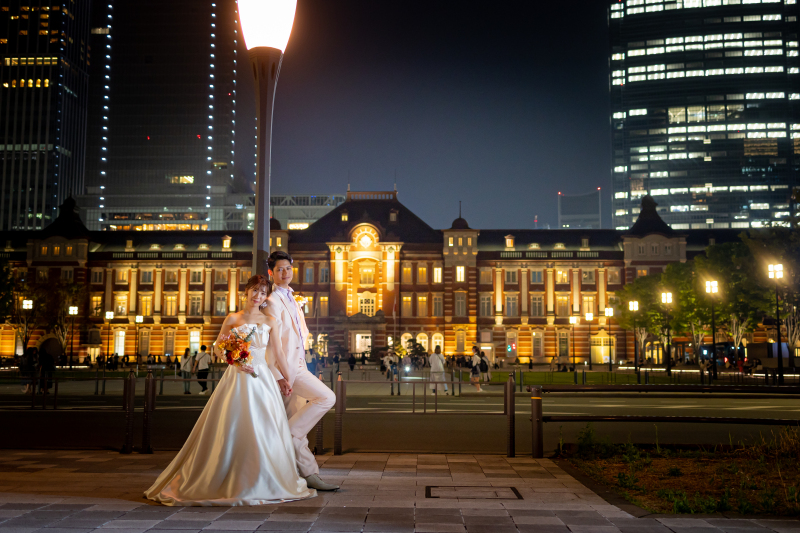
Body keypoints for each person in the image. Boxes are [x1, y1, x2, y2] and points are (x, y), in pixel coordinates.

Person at [145, 275, 314, 505]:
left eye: (263, 293)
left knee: (264, 426)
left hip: (262, 378)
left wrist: (287, 378)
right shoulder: (233, 318)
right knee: (232, 425)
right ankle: (226, 475)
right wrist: (233, 360)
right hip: (237, 377)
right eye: (255, 291)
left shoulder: (270, 320)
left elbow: (280, 354)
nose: (258, 296)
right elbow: (218, 347)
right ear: (246, 292)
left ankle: (262, 477)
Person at [265, 251, 339, 492]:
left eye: (288, 268)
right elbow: (270, 343)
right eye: (279, 270)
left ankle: (307, 473)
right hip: (287, 370)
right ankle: (285, 438)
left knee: (297, 423)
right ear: (271, 273)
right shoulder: (272, 301)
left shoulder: (292, 298)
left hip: (298, 365)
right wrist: (278, 376)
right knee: (327, 397)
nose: (285, 273)